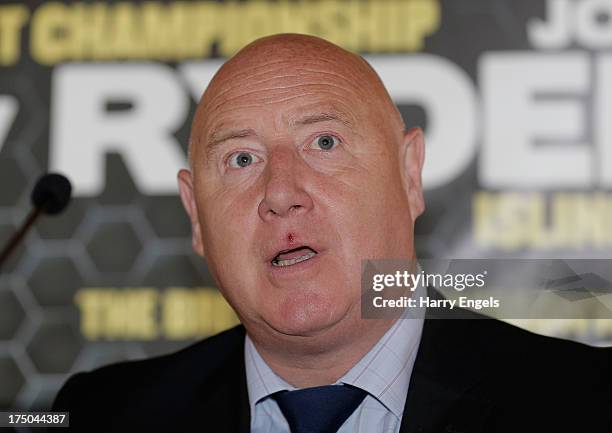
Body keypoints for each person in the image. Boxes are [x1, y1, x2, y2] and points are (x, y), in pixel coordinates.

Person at [53, 34, 611, 433]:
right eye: (241, 158)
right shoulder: (103, 415)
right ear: (196, 214)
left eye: (324, 143)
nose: (280, 192)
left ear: (408, 174)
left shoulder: (583, 403)